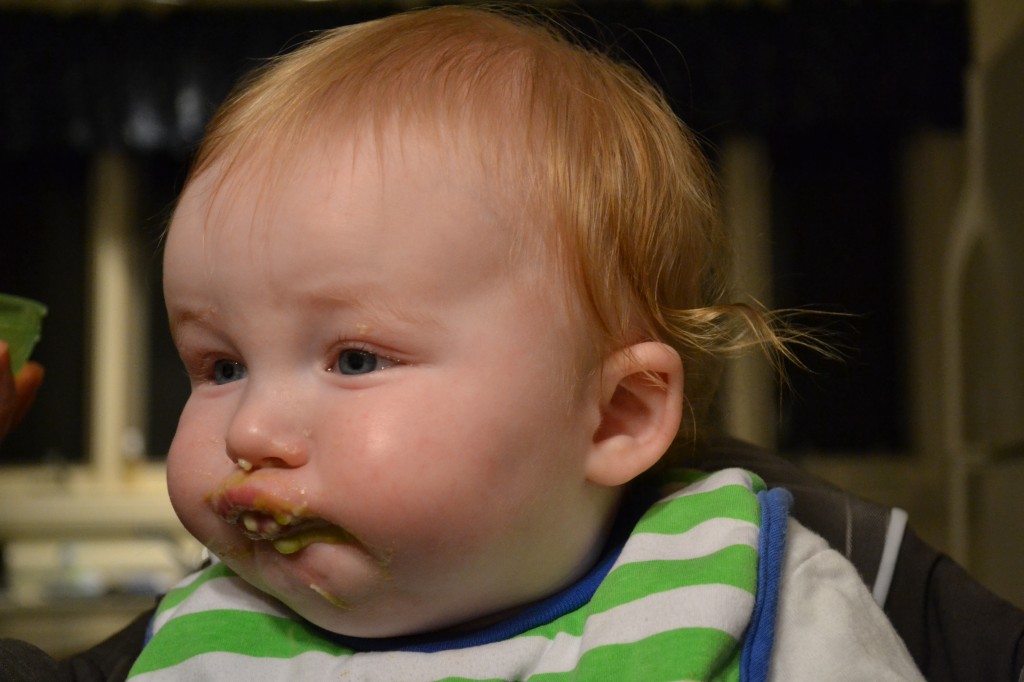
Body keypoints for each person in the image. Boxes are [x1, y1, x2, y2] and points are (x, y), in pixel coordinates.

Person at [18, 5, 926, 680]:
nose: (250, 431)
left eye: (355, 359)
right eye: (220, 367)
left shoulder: (746, 593)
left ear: (614, 417)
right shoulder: (202, 635)